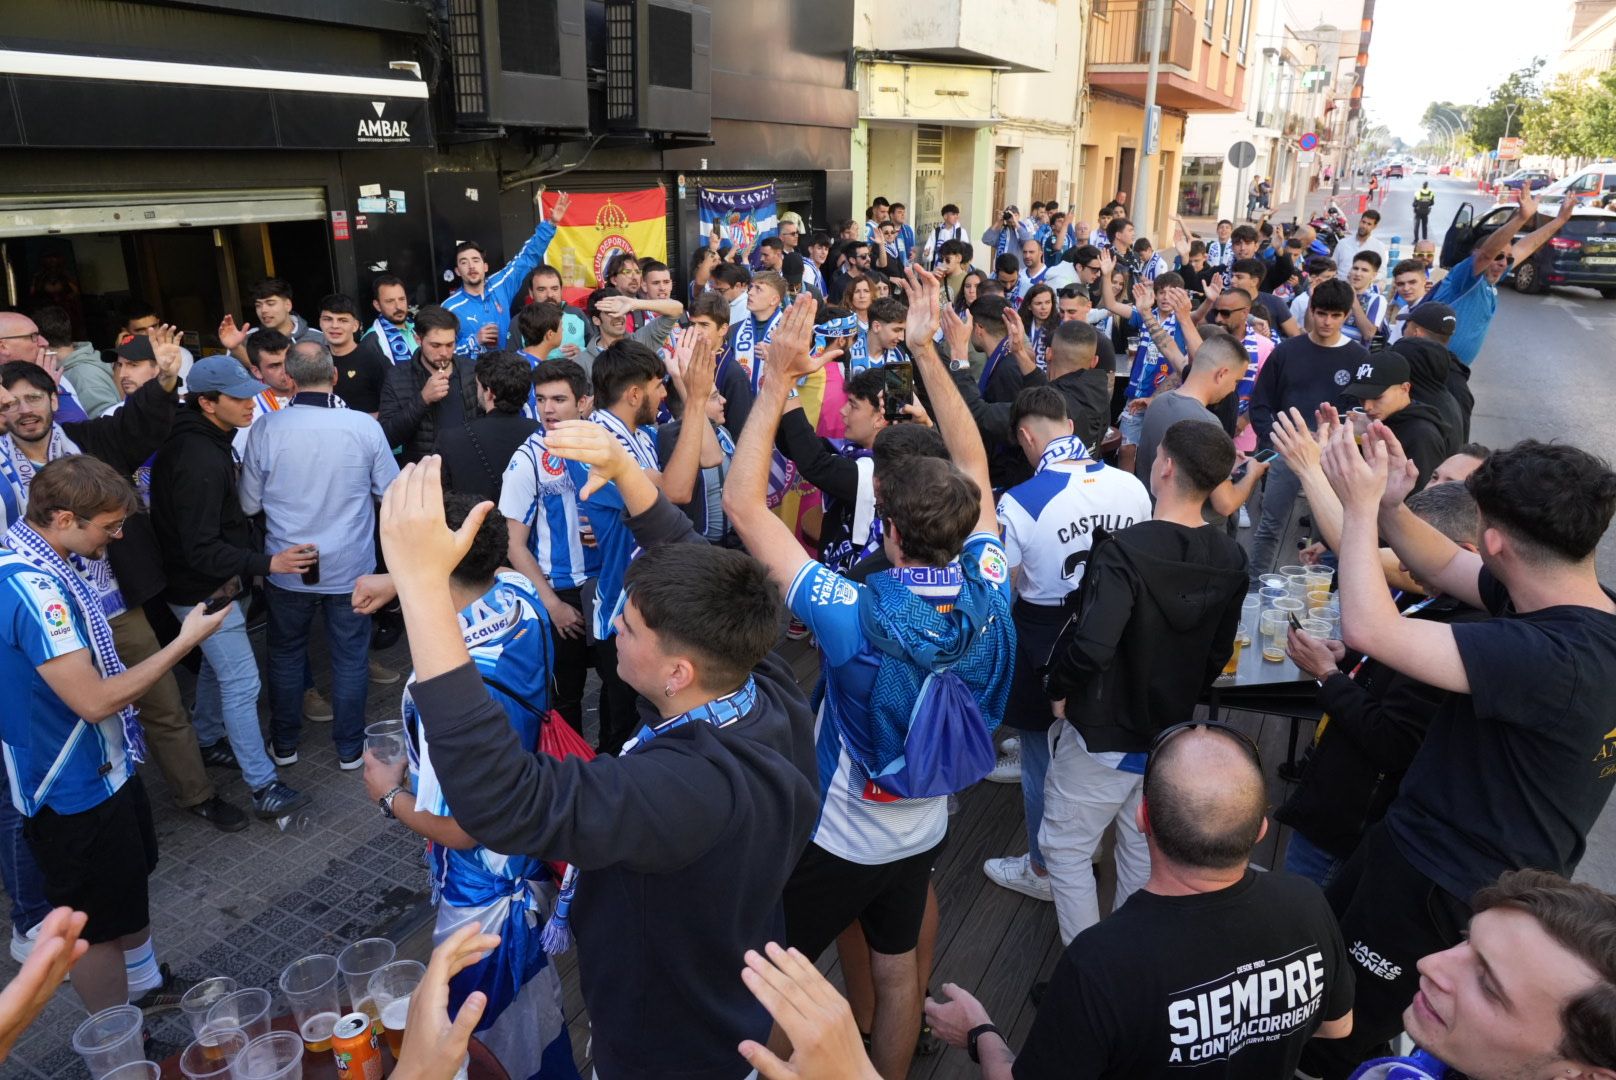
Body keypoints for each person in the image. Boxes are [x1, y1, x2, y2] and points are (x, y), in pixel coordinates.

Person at [375, 444, 819, 1080]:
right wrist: (631, 477)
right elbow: (698, 559)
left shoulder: (685, 788)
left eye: (630, 628)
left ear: (678, 672)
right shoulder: (759, 680)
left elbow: (505, 799)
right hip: (729, 980)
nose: (611, 625)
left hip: (670, 1045)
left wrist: (418, 588)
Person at [723, 278, 1012, 1080]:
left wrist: (776, 380)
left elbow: (744, 505)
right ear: (964, 528)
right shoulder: (992, 583)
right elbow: (978, 466)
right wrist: (925, 349)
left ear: (888, 534)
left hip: (839, 834)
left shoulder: (852, 610)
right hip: (924, 828)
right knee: (895, 978)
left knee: (774, 975)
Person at [1298, 430, 1616, 1076]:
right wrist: (1390, 505)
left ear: (1496, 542)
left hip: (1437, 881)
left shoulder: (1546, 658)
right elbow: (1444, 564)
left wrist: (1357, 510)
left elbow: (1369, 628)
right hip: (1432, 857)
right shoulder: (1573, 606)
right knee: (1322, 975)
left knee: (1337, 1029)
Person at [926, 724, 1354, 1078]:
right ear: (1261, 830)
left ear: (1142, 817)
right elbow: (1337, 1026)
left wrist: (979, 1034)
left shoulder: (1100, 962)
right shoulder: (1307, 904)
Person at [0, 455, 232, 1012]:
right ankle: (117, 1047)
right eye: (108, 526)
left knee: (125, 895)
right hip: (69, 786)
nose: (119, 535)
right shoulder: (36, 591)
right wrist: (183, 642)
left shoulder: (44, 558)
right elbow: (94, 698)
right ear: (62, 518)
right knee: (95, 929)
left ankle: (148, 988)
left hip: (107, 765)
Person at [362, 494, 577, 1080]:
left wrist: (389, 796)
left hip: (481, 887)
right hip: (531, 826)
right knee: (534, 1010)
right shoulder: (520, 593)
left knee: (479, 1030)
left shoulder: (447, 688)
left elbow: (464, 828)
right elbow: (489, 568)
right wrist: (400, 581)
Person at [0, 342, 248, 831]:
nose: (22, 411)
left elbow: (140, 425)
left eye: (31, 398)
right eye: (7, 404)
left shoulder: (89, 440)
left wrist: (164, 379)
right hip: (46, 619)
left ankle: (194, 792)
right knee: (70, 717)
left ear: (53, 398)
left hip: (115, 606)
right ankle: (105, 808)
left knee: (163, 705)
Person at [1040, 421, 1249, 943]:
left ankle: (1089, 974)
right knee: (1141, 851)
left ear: (1166, 466)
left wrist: (1058, 689)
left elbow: (1091, 645)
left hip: (1103, 732)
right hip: (1169, 732)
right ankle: (1132, 960)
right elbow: (1218, 653)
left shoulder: (1124, 551)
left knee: (1065, 850)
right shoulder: (1230, 557)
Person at [983, 386, 1150, 904]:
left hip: (1045, 631)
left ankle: (1043, 867)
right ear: (1071, 427)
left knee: (1040, 753)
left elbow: (1004, 585)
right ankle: (1093, 846)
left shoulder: (1019, 501)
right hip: (1120, 628)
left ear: (1027, 437)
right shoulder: (1131, 484)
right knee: (1092, 739)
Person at [1277, 482, 1487, 889]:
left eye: (1410, 553)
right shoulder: (1439, 603)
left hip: (1348, 824)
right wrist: (1350, 658)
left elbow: (1393, 742)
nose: (1403, 568)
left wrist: (1327, 675)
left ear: (1466, 553)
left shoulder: (1458, 638)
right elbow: (1392, 679)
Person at [150, 356, 312, 819]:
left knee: (223, 672)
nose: (250, 403)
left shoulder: (205, 439)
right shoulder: (198, 456)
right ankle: (263, 788)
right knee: (242, 681)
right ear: (206, 402)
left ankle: (206, 738)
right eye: (239, 397)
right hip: (203, 589)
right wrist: (268, 562)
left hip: (215, 582)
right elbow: (200, 548)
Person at [241, 341, 398, 770]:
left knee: (286, 654)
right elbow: (392, 493)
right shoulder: (363, 427)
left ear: (288, 380)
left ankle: (286, 744)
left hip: (288, 566)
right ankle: (349, 749)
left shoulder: (266, 429)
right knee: (350, 658)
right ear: (333, 376)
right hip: (351, 566)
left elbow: (249, 504)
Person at [1247, 278, 1370, 584]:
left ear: (1346, 316)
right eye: (1321, 313)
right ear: (1311, 311)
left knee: (1327, 532)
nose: (1327, 321)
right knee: (1269, 524)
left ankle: (1315, 592)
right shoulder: (1286, 352)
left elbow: (1365, 414)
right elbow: (1260, 405)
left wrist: (1336, 437)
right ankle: (1252, 587)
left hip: (1333, 459)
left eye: (1335, 315)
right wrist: (1279, 441)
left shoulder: (1358, 359)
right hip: (1286, 453)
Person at [498, 358, 598, 733]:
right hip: (562, 593)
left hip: (608, 584)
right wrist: (552, 604)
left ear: (583, 402)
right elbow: (514, 544)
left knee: (621, 683)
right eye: (541, 400)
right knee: (566, 695)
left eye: (558, 399)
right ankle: (572, 770)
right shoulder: (527, 460)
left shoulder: (605, 441)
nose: (548, 409)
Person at [580, 340, 668, 756]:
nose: (665, 393)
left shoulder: (640, 435)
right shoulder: (598, 442)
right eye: (660, 385)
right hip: (619, 606)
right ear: (635, 394)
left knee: (627, 714)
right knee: (621, 729)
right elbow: (678, 492)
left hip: (641, 596)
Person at [1429, 185, 1574, 367]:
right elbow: (1487, 254)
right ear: (1476, 254)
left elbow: (1524, 247)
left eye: (1507, 258)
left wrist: (1560, 220)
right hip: (1433, 368)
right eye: (1498, 256)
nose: (1504, 263)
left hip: (1454, 372)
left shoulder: (1490, 279)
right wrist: (1521, 218)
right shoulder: (1465, 277)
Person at [1133, 334, 1271, 517]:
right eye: (1236, 381)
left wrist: (1223, 460)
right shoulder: (1206, 423)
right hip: (1190, 531)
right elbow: (1225, 504)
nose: (1233, 389)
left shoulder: (1159, 402)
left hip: (1153, 516)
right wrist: (1252, 473)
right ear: (1222, 374)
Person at [443, 191, 570, 358]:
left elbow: (526, 257)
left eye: (475, 260)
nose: (471, 266)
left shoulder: (501, 284)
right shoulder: (449, 307)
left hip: (507, 371)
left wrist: (551, 223)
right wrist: (474, 340)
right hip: (472, 378)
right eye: (464, 262)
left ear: (485, 266)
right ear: (458, 271)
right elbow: (440, 352)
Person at [380, 305, 481, 465]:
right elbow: (387, 437)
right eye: (435, 345)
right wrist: (423, 399)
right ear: (418, 339)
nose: (444, 352)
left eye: (450, 344)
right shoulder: (398, 377)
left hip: (469, 469)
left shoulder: (471, 370)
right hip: (426, 474)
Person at [1342, 351, 1456, 491]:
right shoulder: (1385, 419)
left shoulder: (1421, 435)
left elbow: (1423, 498)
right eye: (1361, 397)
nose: (1367, 406)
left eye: (1377, 397)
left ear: (1405, 388)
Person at [435, 351, 539, 502]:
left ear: (489, 392)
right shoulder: (542, 436)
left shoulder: (450, 439)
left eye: (477, 385)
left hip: (473, 522)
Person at [33, 306, 118, 419]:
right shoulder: (75, 368)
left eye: (31, 337)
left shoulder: (84, 377)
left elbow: (107, 425)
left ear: (40, 340)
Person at [579, 287, 682, 378]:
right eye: (611, 312)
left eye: (621, 310)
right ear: (596, 320)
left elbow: (677, 309)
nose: (619, 316)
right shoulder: (582, 361)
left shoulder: (641, 341)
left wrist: (634, 303)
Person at [321, 293, 389, 416]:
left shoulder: (374, 360)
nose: (334, 325)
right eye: (328, 319)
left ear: (355, 326)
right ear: (320, 322)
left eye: (343, 320)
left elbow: (391, 407)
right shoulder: (315, 359)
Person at [363, 272, 419, 367]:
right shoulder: (372, 341)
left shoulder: (418, 328)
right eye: (390, 301)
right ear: (377, 305)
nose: (398, 306)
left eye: (402, 299)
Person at [1330, 209, 1388, 278]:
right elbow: (1332, 266)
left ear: (1374, 226)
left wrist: (1365, 280)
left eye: (1369, 224)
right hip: (1340, 285)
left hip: (1364, 287)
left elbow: (1382, 272)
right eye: (1363, 222)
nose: (1364, 226)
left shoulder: (1379, 247)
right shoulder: (1343, 243)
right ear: (1360, 221)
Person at [1385, 258, 1430, 345]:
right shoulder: (1403, 310)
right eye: (1401, 284)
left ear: (1425, 281)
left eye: (1412, 282)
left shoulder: (1432, 311)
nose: (1406, 288)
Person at [923, 204, 970, 271]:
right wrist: (926, 254)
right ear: (945, 216)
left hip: (955, 271)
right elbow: (927, 254)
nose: (956, 217)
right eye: (953, 214)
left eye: (957, 214)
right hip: (938, 271)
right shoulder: (936, 232)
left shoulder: (961, 232)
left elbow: (966, 253)